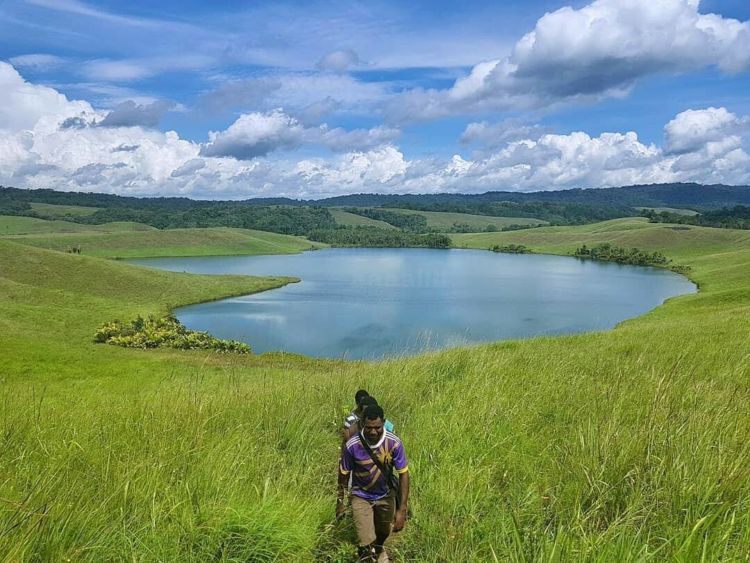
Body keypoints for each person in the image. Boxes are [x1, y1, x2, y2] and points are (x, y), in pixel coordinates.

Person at [337, 404, 410, 563]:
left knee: (383, 531)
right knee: (366, 540)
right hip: (360, 495)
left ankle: (378, 549)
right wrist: (340, 502)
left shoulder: (394, 443)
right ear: (362, 423)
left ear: (383, 422)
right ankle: (368, 554)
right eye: (369, 427)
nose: (372, 432)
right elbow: (343, 474)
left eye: (377, 427)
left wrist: (402, 509)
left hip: (385, 494)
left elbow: (404, 474)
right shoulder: (352, 445)